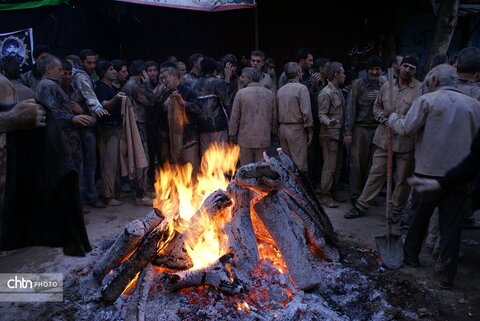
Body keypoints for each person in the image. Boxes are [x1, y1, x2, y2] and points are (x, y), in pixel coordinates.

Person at [388, 64, 480, 289]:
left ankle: (411, 256)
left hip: (428, 172)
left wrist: (392, 119)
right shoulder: (475, 105)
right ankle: (446, 273)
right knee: (451, 225)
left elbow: (407, 129)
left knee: (419, 218)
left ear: (435, 81)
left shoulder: (427, 100)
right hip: (460, 175)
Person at [345, 56, 422, 219]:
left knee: (402, 179)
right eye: (405, 66)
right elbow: (377, 108)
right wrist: (385, 119)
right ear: (399, 67)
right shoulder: (387, 86)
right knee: (376, 173)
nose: (407, 70)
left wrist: (399, 122)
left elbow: (418, 118)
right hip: (384, 139)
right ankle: (361, 205)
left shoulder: (419, 90)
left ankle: (396, 211)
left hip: (405, 142)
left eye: (412, 68)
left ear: (415, 71)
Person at [343, 55, 384, 202]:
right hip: (360, 128)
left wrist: (380, 96)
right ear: (367, 71)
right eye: (371, 69)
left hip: (378, 129)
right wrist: (348, 132)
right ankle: (355, 194)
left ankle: (367, 197)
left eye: (377, 69)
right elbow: (350, 108)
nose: (374, 72)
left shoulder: (384, 85)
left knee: (373, 164)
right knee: (356, 164)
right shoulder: (359, 84)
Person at [72, 49, 109, 210]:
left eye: (94, 62)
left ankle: (87, 197)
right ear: (81, 62)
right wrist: (97, 107)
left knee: (88, 164)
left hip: (87, 124)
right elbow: (89, 95)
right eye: (89, 62)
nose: (92, 66)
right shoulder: (80, 76)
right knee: (86, 164)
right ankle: (88, 198)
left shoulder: (85, 76)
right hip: (83, 126)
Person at [122, 59, 155, 206]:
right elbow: (150, 101)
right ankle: (140, 195)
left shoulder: (133, 84)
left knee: (143, 158)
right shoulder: (133, 85)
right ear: (142, 73)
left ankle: (143, 190)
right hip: (136, 124)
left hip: (138, 123)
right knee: (141, 159)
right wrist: (148, 83)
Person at [228, 67, 276, 166]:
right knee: (262, 168)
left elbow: (234, 117)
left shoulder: (240, 94)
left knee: (246, 169)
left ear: (249, 78)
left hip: (245, 138)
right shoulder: (269, 94)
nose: (241, 79)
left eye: (243, 77)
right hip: (263, 138)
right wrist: (273, 131)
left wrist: (232, 134)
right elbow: (274, 116)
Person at [94, 60, 125, 206]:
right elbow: (104, 105)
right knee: (108, 162)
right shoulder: (100, 87)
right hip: (107, 129)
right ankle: (108, 195)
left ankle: (113, 192)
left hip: (115, 128)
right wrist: (116, 99)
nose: (114, 72)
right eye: (111, 69)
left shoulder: (110, 87)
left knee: (115, 162)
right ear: (103, 73)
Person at [317, 62, 346, 208]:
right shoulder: (326, 93)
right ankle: (324, 195)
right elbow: (321, 114)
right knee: (329, 167)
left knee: (337, 166)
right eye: (343, 73)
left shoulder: (338, 91)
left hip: (338, 135)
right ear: (336, 74)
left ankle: (332, 191)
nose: (345, 76)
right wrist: (329, 122)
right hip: (329, 136)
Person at [276, 62, 313, 174]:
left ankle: (288, 190)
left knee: (286, 165)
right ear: (298, 73)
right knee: (299, 165)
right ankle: (300, 190)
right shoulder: (302, 89)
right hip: (296, 130)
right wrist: (310, 130)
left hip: (282, 129)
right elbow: (306, 113)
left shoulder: (280, 90)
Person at [163, 67, 200, 175]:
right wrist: (164, 105)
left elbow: (198, 108)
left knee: (191, 170)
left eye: (166, 77)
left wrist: (183, 102)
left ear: (174, 76)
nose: (164, 81)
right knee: (178, 173)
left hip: (189, 138)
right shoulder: (167, 93)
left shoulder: (187, 90)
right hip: (173, 141)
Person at [191, 57, 230, 156]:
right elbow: (226, 104)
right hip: (218, 126)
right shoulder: (218, 82)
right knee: (220, 157)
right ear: (215, 70)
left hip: (202, 127)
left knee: (207, 158)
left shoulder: (194, 84)